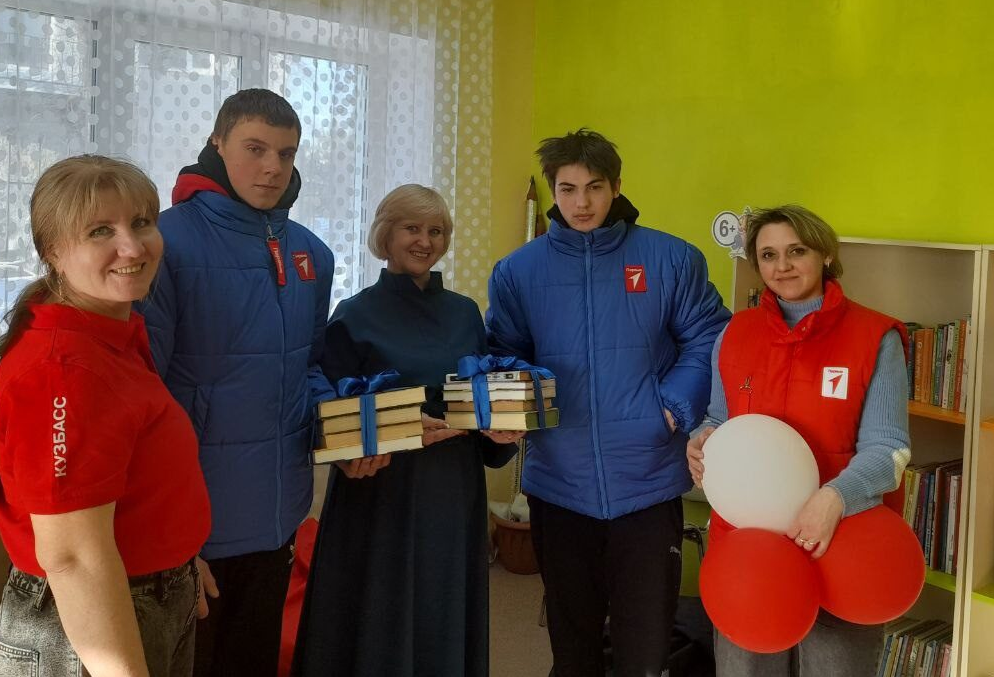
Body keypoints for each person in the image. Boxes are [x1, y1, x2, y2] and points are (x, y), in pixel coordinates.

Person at [486, 129, 731, 677]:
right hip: (559, 484)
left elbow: (711, 338)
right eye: (568, 189)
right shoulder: (518, 272)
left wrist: (670, 407)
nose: (581, 203)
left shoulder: (672, 259)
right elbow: (503, 354)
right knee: (572, 646)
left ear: (616, 187)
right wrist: (511, 410)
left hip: (647, 482)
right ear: (554, 190)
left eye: (594, 187)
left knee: (644, 651)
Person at [0, 156, 211, 677]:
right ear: (53, 252)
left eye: (141, 223)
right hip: (83, 624)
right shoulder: (63, 369)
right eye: (100, 231)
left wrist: (177, 559)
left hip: (142, 595)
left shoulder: (108, 332)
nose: (132, 247)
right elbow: (72, 559)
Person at [137, 89, 336, 676]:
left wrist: (346, 429)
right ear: (217, 144)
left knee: (253, 662)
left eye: (286, 153)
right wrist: (169, 530)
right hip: (196, 517)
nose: (273, 167)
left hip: (279, 511)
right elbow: (144, 393)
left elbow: (310, 368)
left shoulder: (312, 253)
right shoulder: (164, 243)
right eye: (255, 148)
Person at [291, 184, 522, 677]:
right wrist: (373, 438)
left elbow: (478, 399)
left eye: (436, 231)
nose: (424, 241)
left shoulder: (465, 312)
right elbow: (330, 417)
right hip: (379, 492)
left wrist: (500, 433)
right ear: (385, 234)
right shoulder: (353, 315)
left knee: (442, 608)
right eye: (411, 228)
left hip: (453, 490)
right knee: (380, 613)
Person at [686, 204, 910, 676]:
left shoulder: (875, 336)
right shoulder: (734, 333)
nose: (782, 266)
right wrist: (702, 441)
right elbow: (718, 419)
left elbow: (888, 449)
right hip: (749, 548)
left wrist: (834, 497)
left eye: (797, 251)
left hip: (841, 543)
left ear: (825, 254)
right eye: (768, 255)